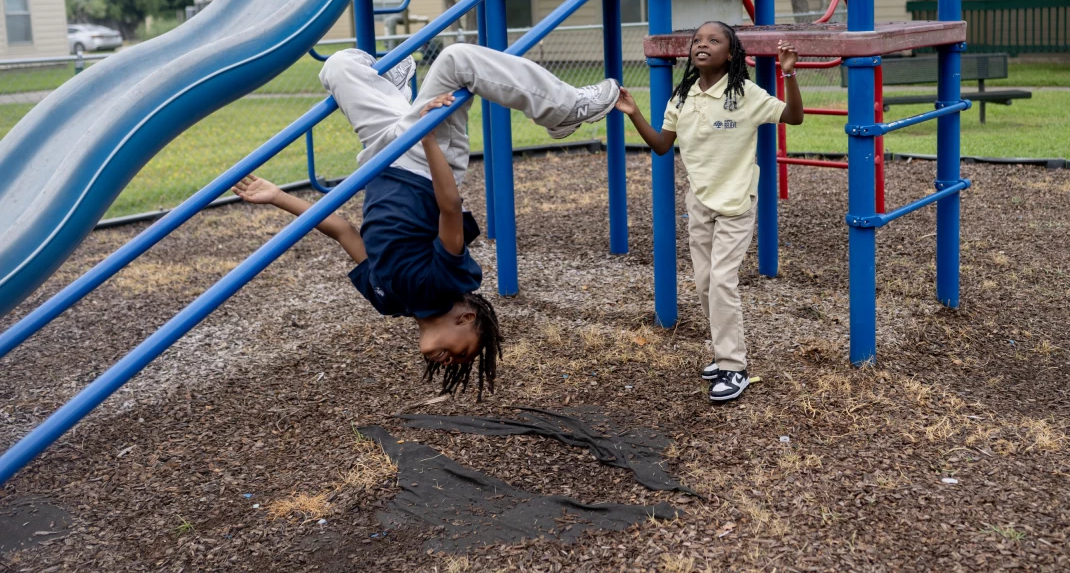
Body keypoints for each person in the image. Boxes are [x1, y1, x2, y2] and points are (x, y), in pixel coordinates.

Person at [233, 43, 620, 399]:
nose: (451, 361)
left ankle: (390, 89)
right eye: (464, 353)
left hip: (383, 155)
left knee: (338, 66)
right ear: (466, 317)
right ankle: (565, 108)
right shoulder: (447, 281)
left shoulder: (388, 299)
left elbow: (343, 232)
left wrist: (277, 197)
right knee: (456, 60)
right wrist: (427, 136)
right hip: (423, 162)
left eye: (453, 366)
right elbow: (450, 206)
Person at [616, 21, 804, 403]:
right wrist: (633, 112)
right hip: (699, 203)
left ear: (731, 54)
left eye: (713, 40)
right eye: (697, 40)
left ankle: (734, 367)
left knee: (721, 280)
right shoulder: (682, 98)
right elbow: (662, 146)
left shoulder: (745, 94)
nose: (702, 45)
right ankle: (722, 356)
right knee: (704, 283)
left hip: (736, 204)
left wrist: (789, 74)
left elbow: (794, 117)